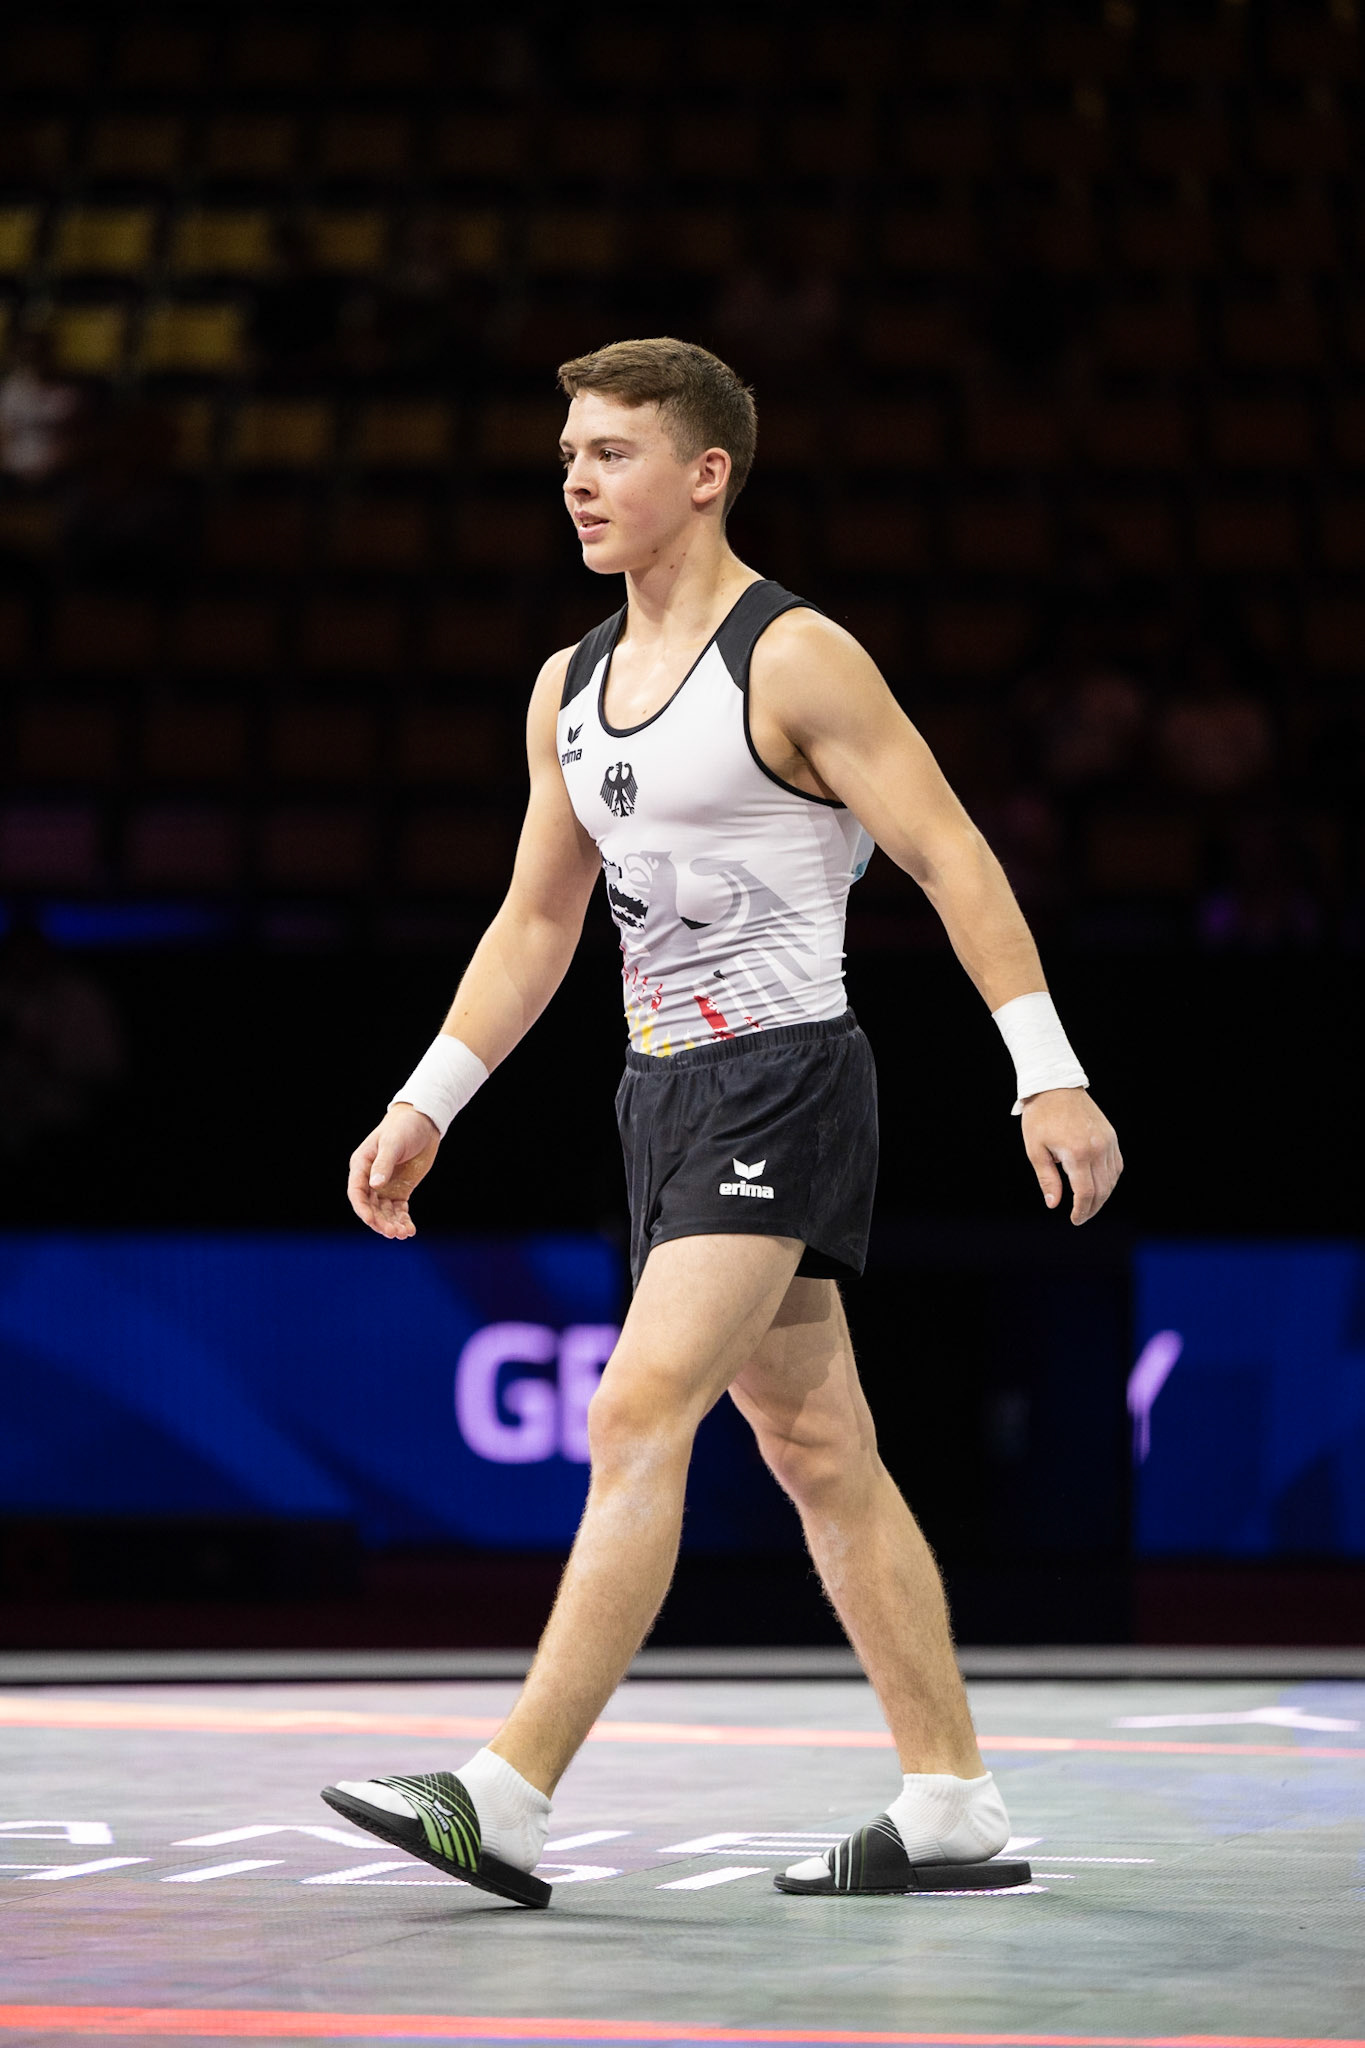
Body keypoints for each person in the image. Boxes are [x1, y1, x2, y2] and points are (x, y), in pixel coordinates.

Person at [322, 338, 1122, 1906]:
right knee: (820, 1445)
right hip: (659, 1096)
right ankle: (950, 1801)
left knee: (635, 1416)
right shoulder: (565, 687)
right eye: (567, 451)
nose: (575, 478)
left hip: (783, 1077)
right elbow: (537, 924)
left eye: (611, 452)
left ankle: (508, 1794)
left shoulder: (796, 658)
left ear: (706, 474)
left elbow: (954, 858)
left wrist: (1047, 1067)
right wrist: (429, 1098)